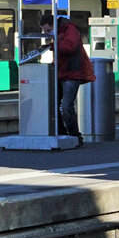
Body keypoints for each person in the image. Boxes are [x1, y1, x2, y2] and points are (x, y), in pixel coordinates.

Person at [39, 12, 95, 146]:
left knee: (67, 106)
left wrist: (52, 46)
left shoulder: (70, 29)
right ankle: (63, 134)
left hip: (72, 72)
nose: (47, 33)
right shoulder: (60, 32)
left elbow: (69, 48)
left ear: (54, 25)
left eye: (48, 30)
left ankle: (75, 136)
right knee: (53, 104)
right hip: (61, 72)